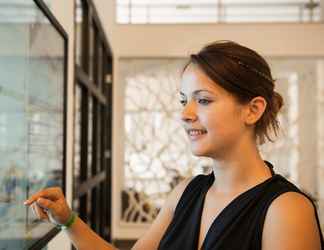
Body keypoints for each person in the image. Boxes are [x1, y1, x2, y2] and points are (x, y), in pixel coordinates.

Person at [24, 40, 324, 250]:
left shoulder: (286, 210)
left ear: (253, 109)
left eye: (203, 100)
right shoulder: (186, 192)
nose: (185, 114)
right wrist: (68, 220)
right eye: (183, 101)